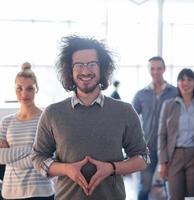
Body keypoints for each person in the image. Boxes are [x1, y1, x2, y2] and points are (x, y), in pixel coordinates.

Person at [31, 35, 149, 200]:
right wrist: (66, 169)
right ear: (69, 70)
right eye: (79, 65)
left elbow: (142, 158)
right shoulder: (52, 113)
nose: (85, 71)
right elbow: (38, 157)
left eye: (92, 64)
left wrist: (112, 168)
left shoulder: (124, 111)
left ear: (102, 69)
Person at [0, 62, 55, 200]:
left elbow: (50, 156)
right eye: (19, 88)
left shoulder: (46, 119)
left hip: (40, 192)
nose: (24, 94)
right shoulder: (6, 122)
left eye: (29, 88)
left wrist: (9, 156)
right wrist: (33, 150)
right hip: (11, 191)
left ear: (36, 89)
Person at [158, 68, 194, 200]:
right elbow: (162, 135)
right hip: (174, 156)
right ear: (178, 83)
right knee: (174, 195)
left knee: (193, 195)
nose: (186, 83)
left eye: (189, 79)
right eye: (182, 79)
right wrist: (162, 162)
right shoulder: (168, 105)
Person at [132, 56, 177, 200]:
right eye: (152, 68)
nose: (156, 72)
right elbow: (130, 120)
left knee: (171, 189)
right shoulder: (141, 95)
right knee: (143, 188)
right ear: (149, 70)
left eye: (159, 68)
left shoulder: (175, 93)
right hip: (147, 148)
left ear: (164, 69)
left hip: (169, 149)